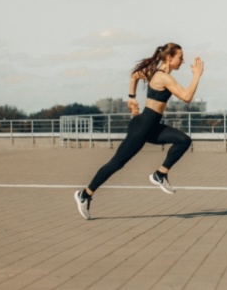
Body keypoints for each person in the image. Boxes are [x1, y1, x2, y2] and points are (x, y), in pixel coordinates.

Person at [74, 43, 204, 220]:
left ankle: (160, 174)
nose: (182, 61)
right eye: (180, 57)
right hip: (142, 128)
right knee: (116, 164)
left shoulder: (154, 73)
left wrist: (131, 98)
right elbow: (187, 97)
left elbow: (134, 75)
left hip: (151, 126)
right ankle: (85, 195)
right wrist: (196, 76)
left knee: (183, 140)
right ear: (169, 57)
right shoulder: (162, 77)